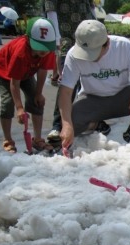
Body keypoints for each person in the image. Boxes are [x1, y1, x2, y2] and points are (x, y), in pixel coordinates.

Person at [57, 20, 130, 149]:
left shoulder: (124, 46)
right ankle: (97, 125)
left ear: (106, 43)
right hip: (92, 100)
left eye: (93, 53)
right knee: (69, 121)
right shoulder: (73, 55)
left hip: (123, 97)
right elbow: (65, 91)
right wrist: (67, 125)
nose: (89, 58)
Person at [0, 17, 57, 153]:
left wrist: (38, 93)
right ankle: (8, 140)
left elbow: (43, 71)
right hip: (4, 73)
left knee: (37, 101)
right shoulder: (21, 52)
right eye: (39, 47)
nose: (43, 51)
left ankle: (37, 139)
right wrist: (20, 108)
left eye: (46, 47)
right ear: (28, 39)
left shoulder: (48, 52)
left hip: (27, 72)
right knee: (7, 103)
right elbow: (14, 83)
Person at [43, 0, 95, 144]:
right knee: (68, 83)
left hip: (87, 38)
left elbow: (91, 9)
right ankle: (58, 125)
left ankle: (93, 119)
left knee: (90, 79)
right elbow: (51, 11)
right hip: (66, 37)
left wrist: (98, 31)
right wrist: (56, 39)